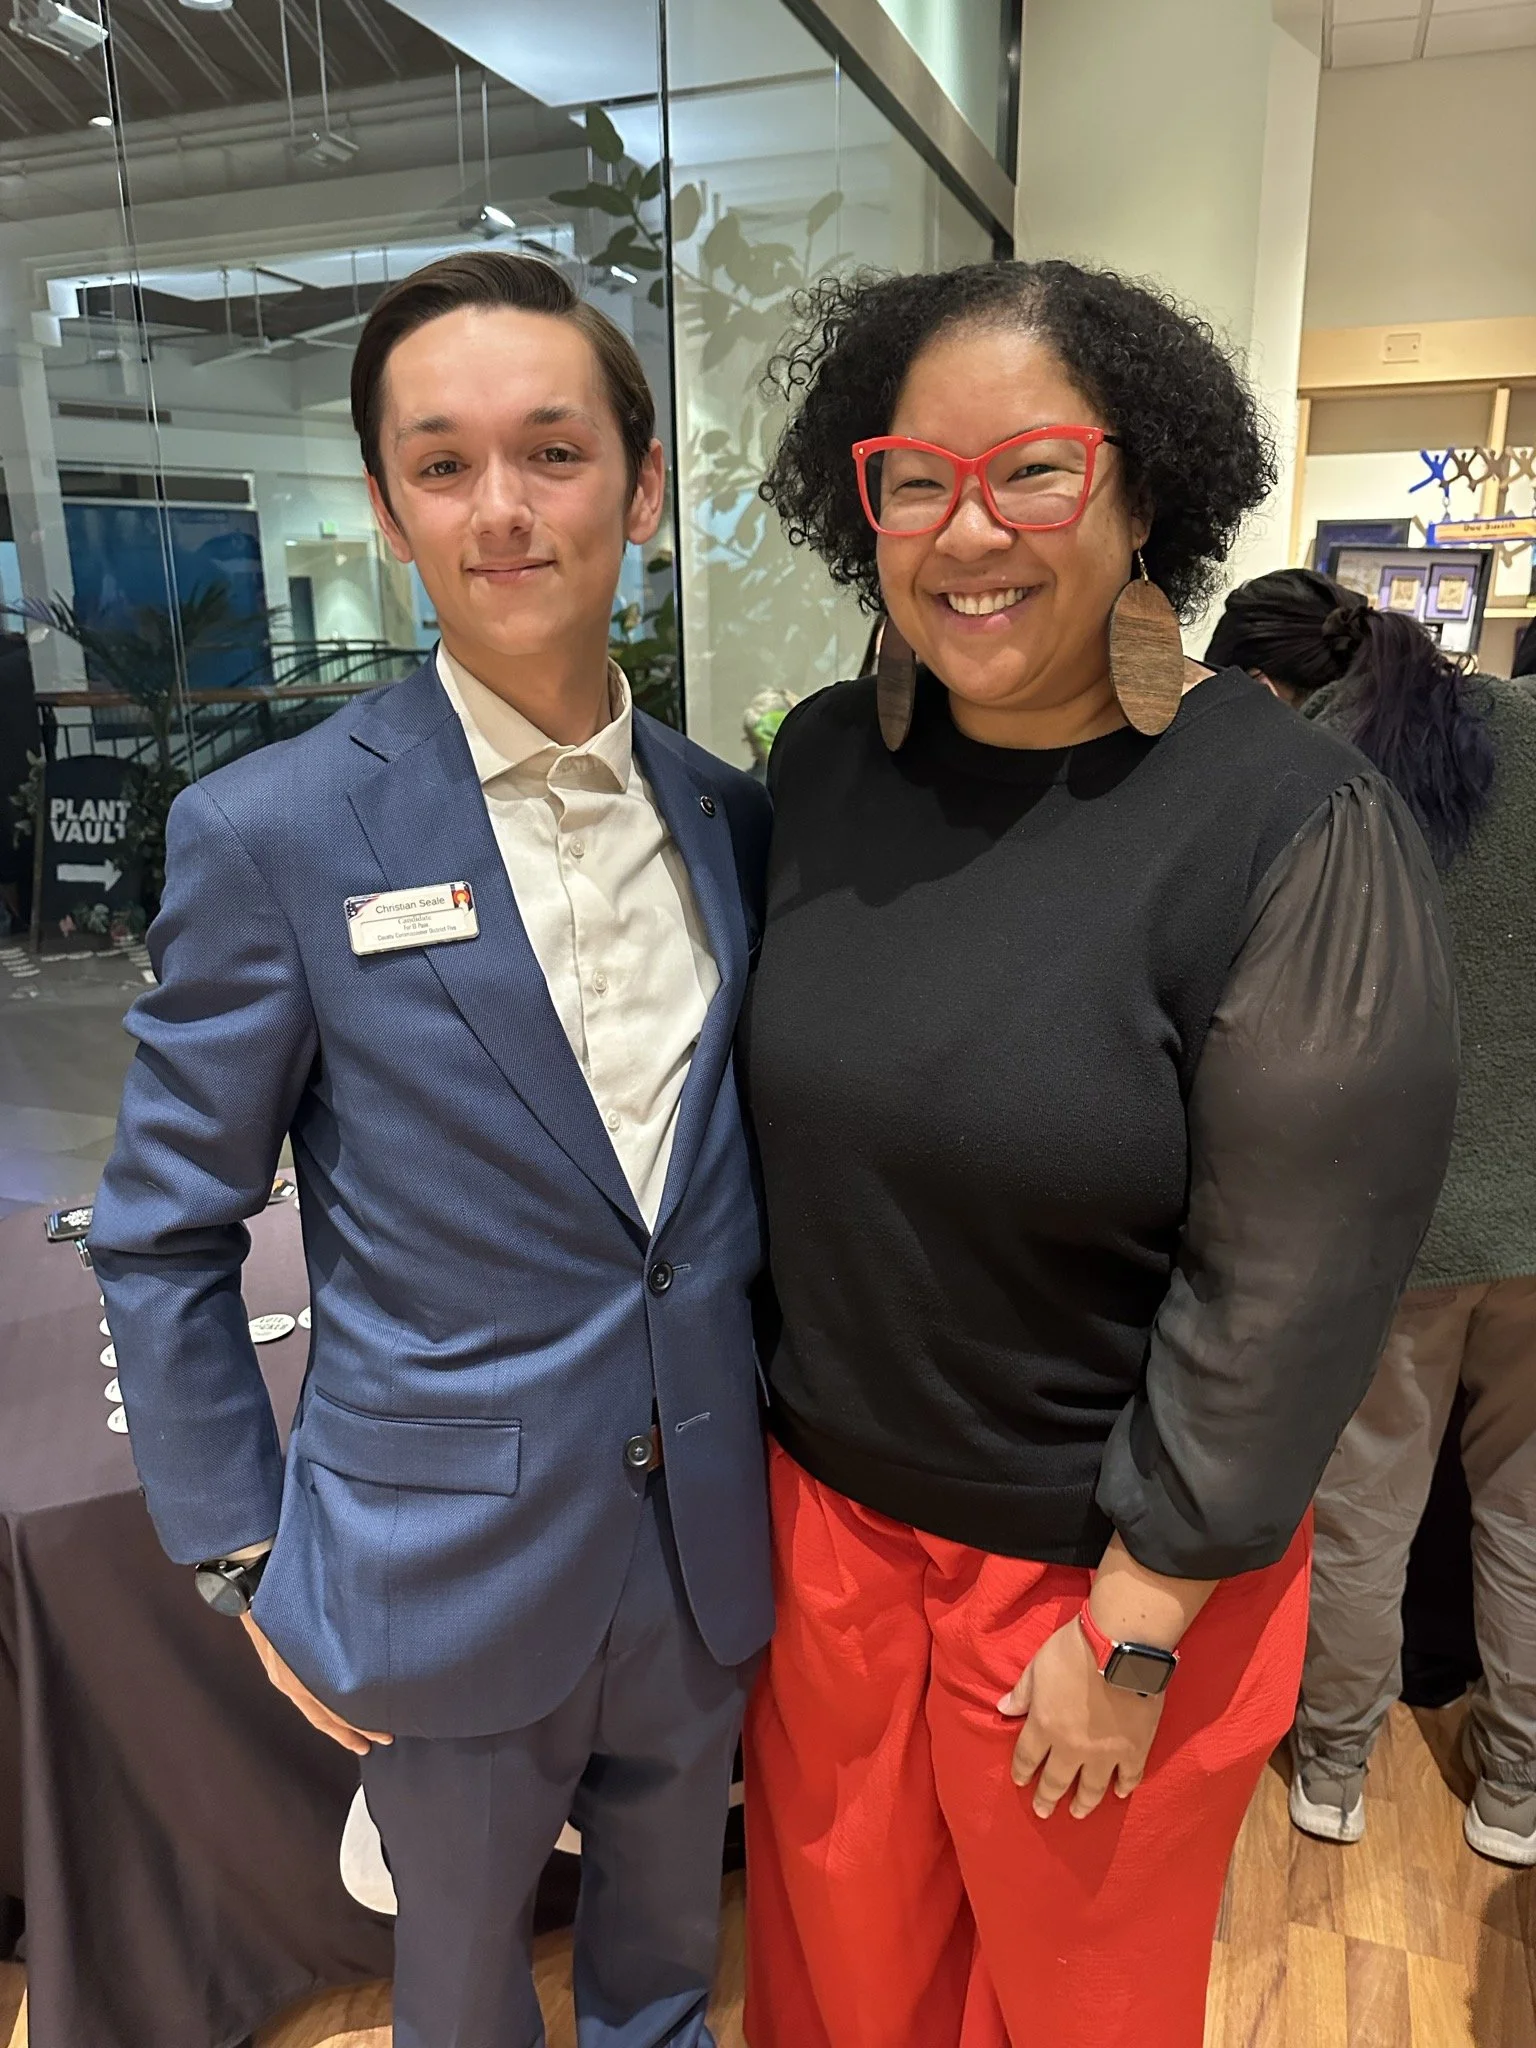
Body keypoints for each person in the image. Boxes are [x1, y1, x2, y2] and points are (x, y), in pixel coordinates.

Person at [738, 259, 1460, 2048]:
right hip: (824, 1547)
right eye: (917, 477)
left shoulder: (1290, 826)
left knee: (1064, 2013)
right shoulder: (830, 766)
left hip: (1102, 1582)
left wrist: (1140, 1620)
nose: (968, 531)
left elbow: (1294, 1276)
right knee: (836, 1998)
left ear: (1145, 493)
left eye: (1035, 470)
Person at [88, 251, 773, 2048]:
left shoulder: (735, 822)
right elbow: (163, 1231)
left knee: (668, 1978)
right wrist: (245, 1555)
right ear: (389, 509)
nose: (504, 508)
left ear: (638, 482)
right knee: (461, 2000)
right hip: (433, 1557)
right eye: (445, 463)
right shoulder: (277, 831)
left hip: (702, 1540)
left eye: (552, 451)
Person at [1211, 569, 1536, 1866]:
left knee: (1366, 1504)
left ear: (1270, 686)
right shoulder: (1514, 721)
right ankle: (1517, 1787)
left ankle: (1335, 1765)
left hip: (1404, 1222)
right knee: (1524, 1513)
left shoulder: (1311, 780)